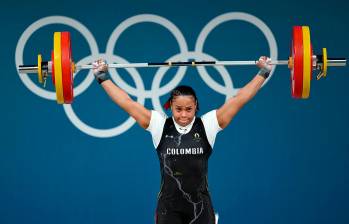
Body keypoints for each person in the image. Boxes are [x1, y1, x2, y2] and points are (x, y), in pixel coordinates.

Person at [92, 56, 272, 224]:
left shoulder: (208, 125)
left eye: (189, 109)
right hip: (168, 208)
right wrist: (103, 77)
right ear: (170, 106)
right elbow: (127, 103)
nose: (184, 114)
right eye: (178, 109)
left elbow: (239, 99)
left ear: (196, 107)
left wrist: (263, 73)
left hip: (200, 207)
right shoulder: (158, 125)